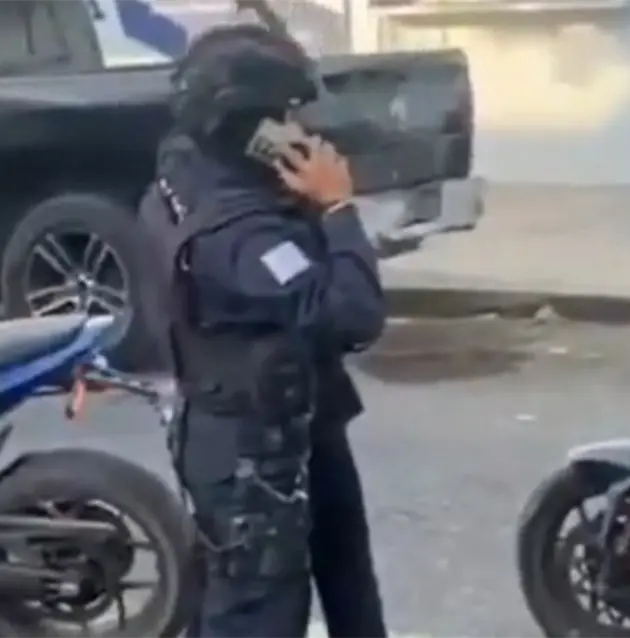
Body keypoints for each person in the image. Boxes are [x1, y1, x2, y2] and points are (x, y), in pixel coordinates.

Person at [133, 23, 388, 638]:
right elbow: (353, 315)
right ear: (249, 129)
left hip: (297, 420)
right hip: (253, 456)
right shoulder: (242, 237)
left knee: (348, 579)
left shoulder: (190, 160)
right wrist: (337, 208)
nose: (302, 128)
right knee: (258, 613)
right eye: (286, 115)